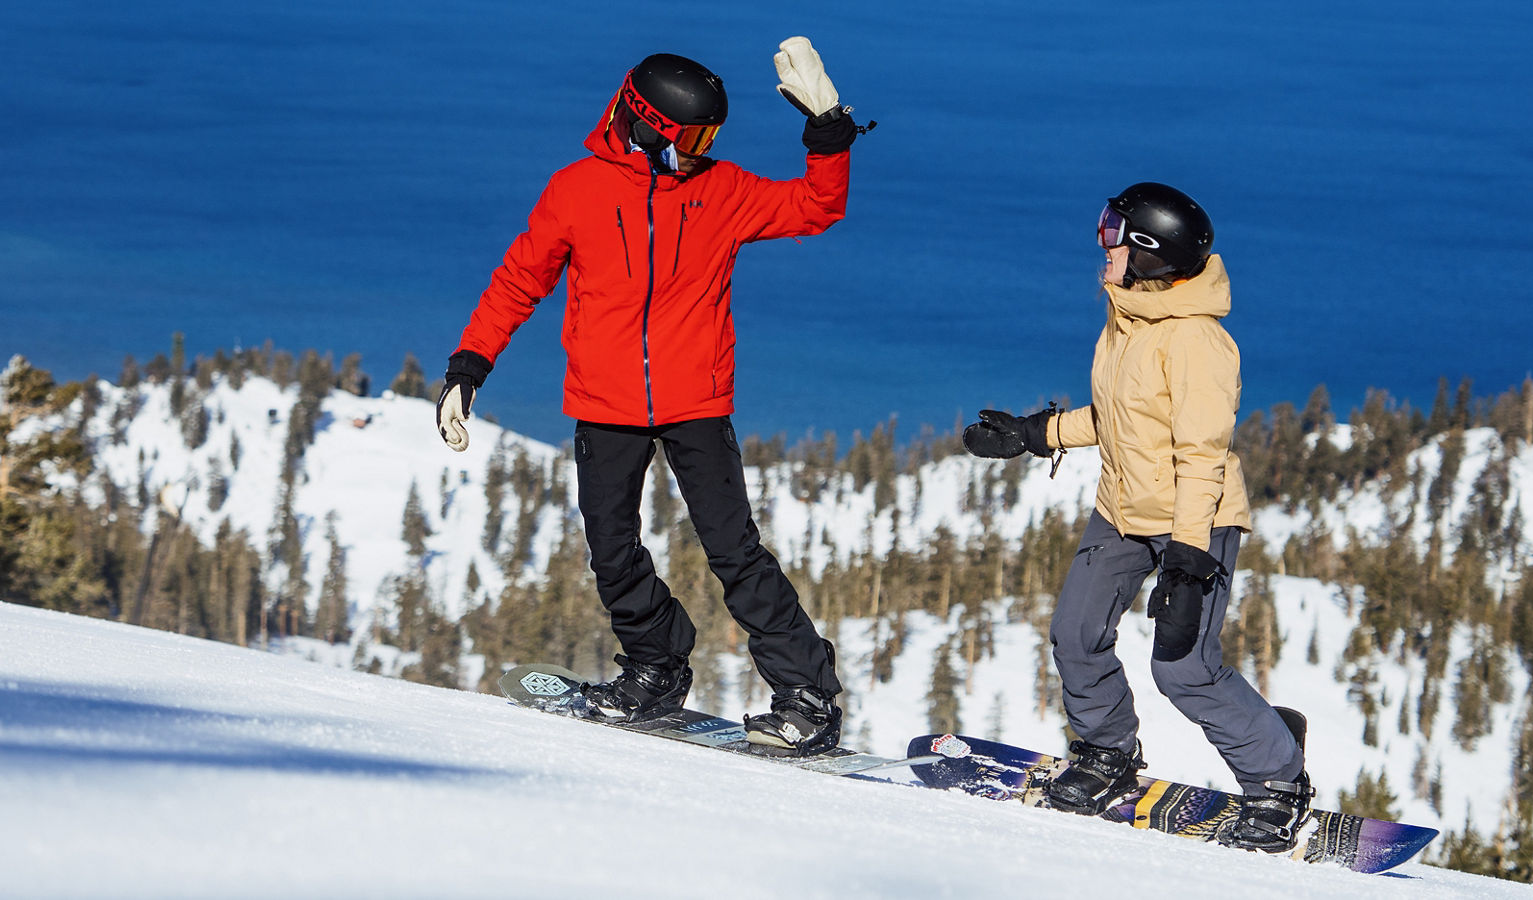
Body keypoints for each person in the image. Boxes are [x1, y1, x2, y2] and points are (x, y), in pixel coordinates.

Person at [433, 43, 867, 755]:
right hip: (605, 404)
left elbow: (817, 206)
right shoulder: (576, 190)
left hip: (696, 399)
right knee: (612, 548)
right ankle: (655, 665)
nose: (704, 151)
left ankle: (808, 694)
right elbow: (519, 281)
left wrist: (828, 131)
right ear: (646, 125)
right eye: (693, 138)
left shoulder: (721, 191)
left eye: (712, 139)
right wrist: (469, 367)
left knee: (733, 550)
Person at [959, 182, 1314, 851]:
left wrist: (1187, 557)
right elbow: (1120, 419)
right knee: (1075, 631)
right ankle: (1106, 752)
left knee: (1183, 668)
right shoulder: (1128, 319)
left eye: (1112, 233)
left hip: (1193, 520)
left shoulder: (1197, 344)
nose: (1102, 242)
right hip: (1121, 510)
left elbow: (1201, 454)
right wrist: (1037, 435)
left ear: (1148, 251)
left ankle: (1278, 780)